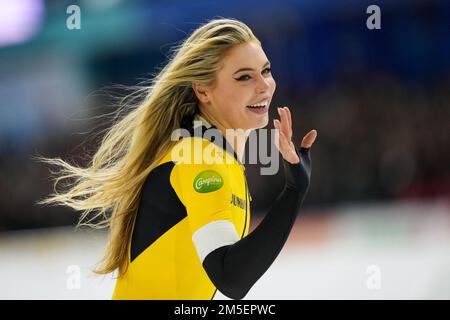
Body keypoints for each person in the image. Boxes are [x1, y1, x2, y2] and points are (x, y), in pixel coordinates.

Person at [36, 18, 317, 299]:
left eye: (265, 71)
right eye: (244, 76)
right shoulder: (200, 158)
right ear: (203, 90)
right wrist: (294, 193)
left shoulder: (207, 152)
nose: (264, 86)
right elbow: (231, 278)